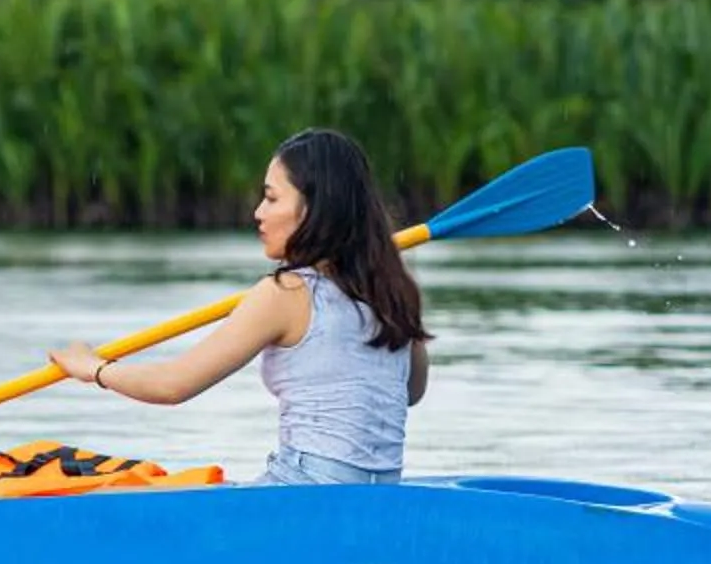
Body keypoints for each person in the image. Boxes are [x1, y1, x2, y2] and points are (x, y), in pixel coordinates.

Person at [48, 128, 430, 484]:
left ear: (314, 209)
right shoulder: (392, 291)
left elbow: (173, 385)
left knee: (118, 492)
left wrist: (94, 369)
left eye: (272, 198)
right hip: (381, 493)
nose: (258, 212)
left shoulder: (285, 293)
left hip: (301, 490)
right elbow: (410, 392)